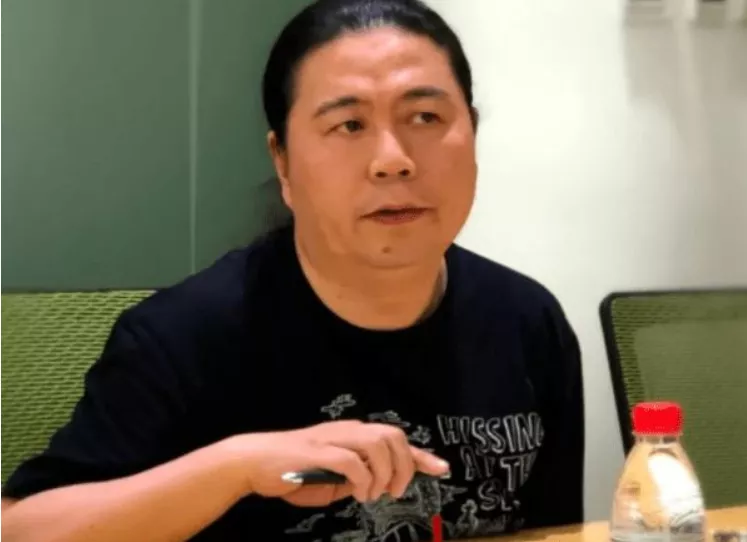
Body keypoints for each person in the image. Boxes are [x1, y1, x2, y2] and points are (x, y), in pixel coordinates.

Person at [1, 0, 585, 540]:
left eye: (426, 116)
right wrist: (237, 467)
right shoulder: (183, 337)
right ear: (282, 161)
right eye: (349, 125)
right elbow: (19, 527)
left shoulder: (527, 320)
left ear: (472, 133)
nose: (393, 160)